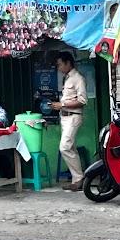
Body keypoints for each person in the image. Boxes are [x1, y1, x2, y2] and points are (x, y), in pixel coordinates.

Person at [51, 52, 87, 191]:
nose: (58, 67)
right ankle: (78, 179)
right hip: (65, 117)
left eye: (60, 64)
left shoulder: (78, 78)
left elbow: (82, 101)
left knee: (64, 147)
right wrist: (60, 106)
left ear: (68, 63)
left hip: (73, 116)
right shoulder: (66, 78)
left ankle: (79, 178)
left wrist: (62, 105)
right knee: (70, 147)